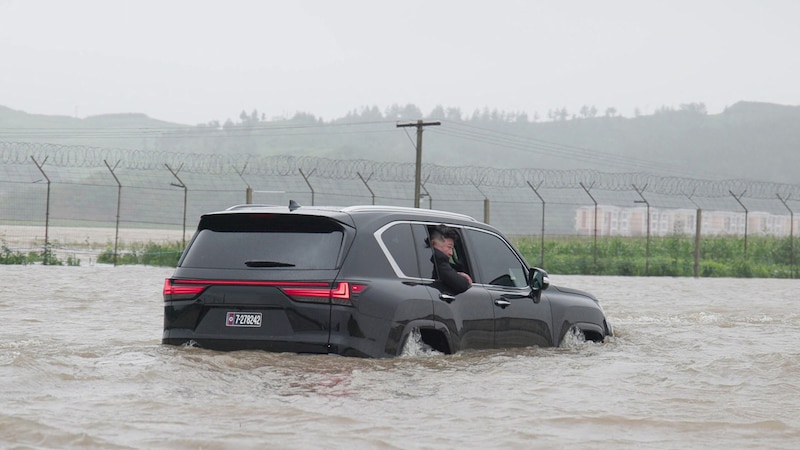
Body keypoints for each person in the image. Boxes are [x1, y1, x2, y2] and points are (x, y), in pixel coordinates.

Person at [429, 224, 472, 294]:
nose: (451, 253)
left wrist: (456, 274)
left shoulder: (428, 260)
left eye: (452, 249)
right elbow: (461, 285)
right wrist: (464, 279)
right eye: (449, 247)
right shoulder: (439, 259)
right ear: (434, 244)